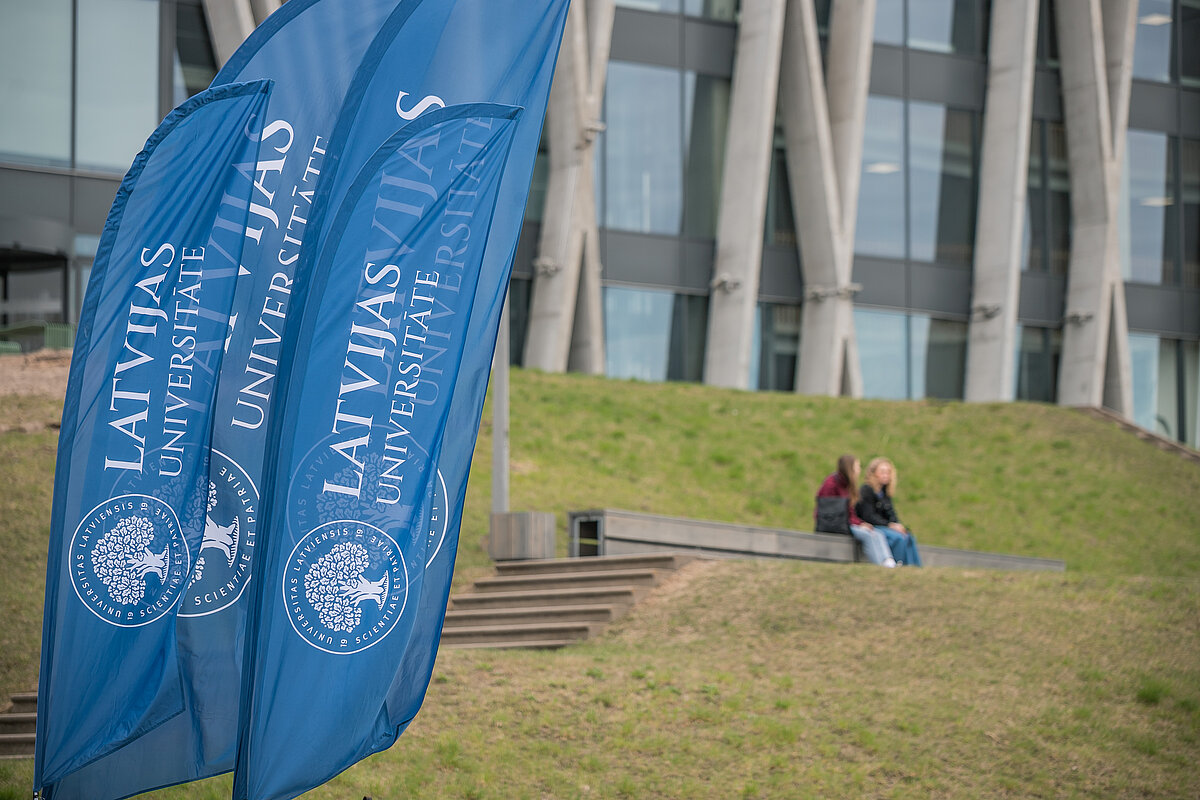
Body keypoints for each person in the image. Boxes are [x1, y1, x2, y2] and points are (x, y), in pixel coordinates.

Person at [814, 454, 896, 567]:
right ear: (850, 468)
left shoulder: (847, 486)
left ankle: (888, 560)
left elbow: (849, 511)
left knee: (876, 533)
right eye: (857, 466)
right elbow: (833, 510)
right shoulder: (832, 484)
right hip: (835, 524)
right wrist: (857, 524)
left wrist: (860, 523)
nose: (859, 470)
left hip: (846, 522)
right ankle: (879, 565)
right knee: (868, 535)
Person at [856, 457, 922, 567]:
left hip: (885, 526)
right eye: (882, 472)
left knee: (908, 536)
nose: (886, 475)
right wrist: (889, 525)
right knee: (897, 538)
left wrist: (897, 525)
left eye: (888, 472)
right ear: (873, 473)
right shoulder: (866, 490)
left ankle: (914, 566)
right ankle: (897, 564)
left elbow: (891, 513)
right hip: (872, 526)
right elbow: (868, 516)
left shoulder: (885, 492)